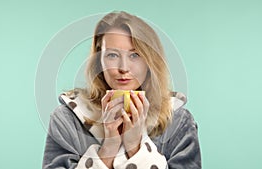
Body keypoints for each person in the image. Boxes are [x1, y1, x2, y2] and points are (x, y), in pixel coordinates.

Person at [42, 11, 201, 169]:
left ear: (150, 60)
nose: (123, 68)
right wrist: (108, 148)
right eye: (112, 55)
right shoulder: (67, 119)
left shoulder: (178, 121)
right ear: (99, 60)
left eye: (135, 55)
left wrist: (135, 147)